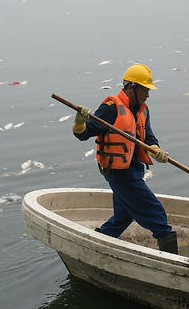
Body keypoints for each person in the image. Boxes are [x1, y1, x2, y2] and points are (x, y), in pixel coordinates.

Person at [72, 63, 178, 254]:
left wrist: (156, 151)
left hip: (134, 170)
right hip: (119, 173)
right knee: (156, 215)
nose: (147, 94)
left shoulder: (142, 110)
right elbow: (84, 133)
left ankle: (95, 246)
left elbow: (149, 138)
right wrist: (80, 121)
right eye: (144, 90)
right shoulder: (111, 108)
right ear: (131, 87)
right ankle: (174, 263)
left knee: (123, 216)